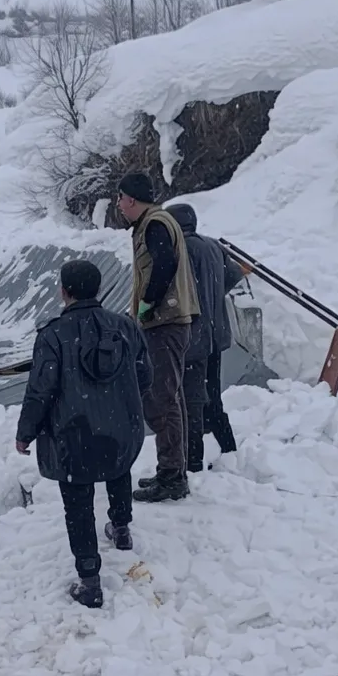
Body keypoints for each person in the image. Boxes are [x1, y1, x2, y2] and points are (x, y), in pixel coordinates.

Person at [15, 260, 151, 609]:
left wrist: (25, 432)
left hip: (73, 434)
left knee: (77, 502)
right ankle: (121, 530)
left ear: (64, 291)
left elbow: (40, 390)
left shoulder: (53, 335)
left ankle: (89, 580)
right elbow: (145, 375)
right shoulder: (125, 326)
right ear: (99, 287)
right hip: (122, 427)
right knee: (118, 469)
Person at [114, 172, 200, 503]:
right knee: (168, 397)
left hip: (165, 323)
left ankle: (173, 476)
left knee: (162, 398)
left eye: (120, 199)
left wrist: (148, 307)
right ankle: (171, 471)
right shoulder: (157, 222)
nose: (119, 206)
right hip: (168, 322)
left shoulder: (154, 224)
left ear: (131, 199)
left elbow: (163, 265)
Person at [163, 202, 243, 478]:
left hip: (191, 338)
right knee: (213, 397)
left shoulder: (179, 249)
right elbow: (234, 274)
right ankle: (229, 449)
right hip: (216, 335)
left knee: (190, 401)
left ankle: (193, 463)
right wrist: (212, 293)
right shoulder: (213, 246)